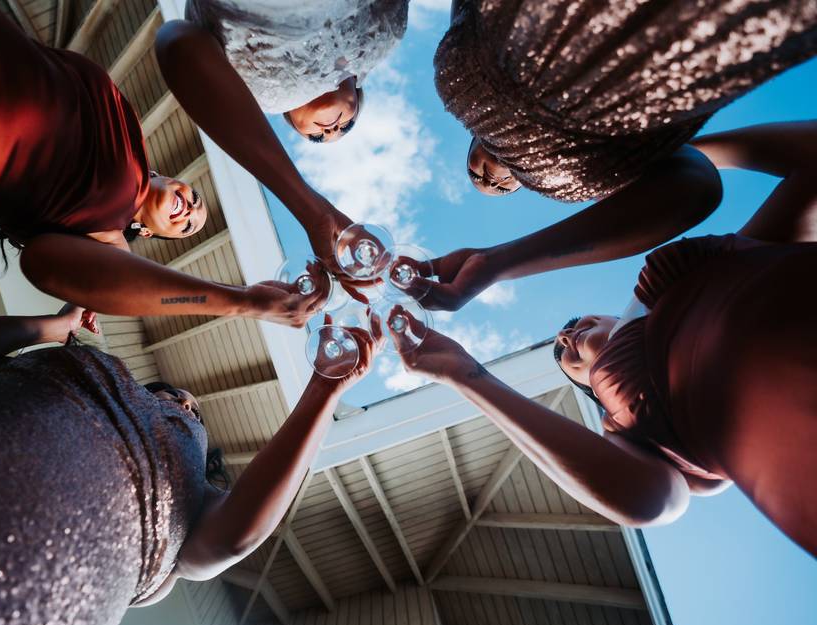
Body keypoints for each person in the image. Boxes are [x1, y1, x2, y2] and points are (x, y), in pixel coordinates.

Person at [388, 121, 817, 557]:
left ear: (617, 317)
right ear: (602, 398)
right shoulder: (640, 437)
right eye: (566, 357)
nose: (564, 336)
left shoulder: (720, 267)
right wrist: (466, 375)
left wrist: (493, 263)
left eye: (573, 324)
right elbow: (650, 500)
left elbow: (722, 177)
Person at [0, 304, 379, 625]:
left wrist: (323, 390)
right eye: (172, 397)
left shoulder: (192, 506)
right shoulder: (59, 374)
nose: (183, 404)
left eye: (190, 415)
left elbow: (235, 536)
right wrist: (50, 328)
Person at [0, 0, 325, 327]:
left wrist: (241, 303)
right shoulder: (131, 132)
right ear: (178, 179)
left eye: (186, 226)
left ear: (152, 235)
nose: (189, 209)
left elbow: (47, 267)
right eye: (195, 198)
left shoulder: (110, 236)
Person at [418, 0, 817, 311]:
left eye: (478, 177)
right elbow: (697, 183)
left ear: (469, 145)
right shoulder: (580, 179)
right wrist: (496, 262)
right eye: (503, 188)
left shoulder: (456, 78)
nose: (494, 180)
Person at [180, 0, 407, 143]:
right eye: (347, 125)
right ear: (357, 92)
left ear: (289, 115)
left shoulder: (249, 91)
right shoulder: (383, 33)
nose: (331, 130)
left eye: (316, 137)